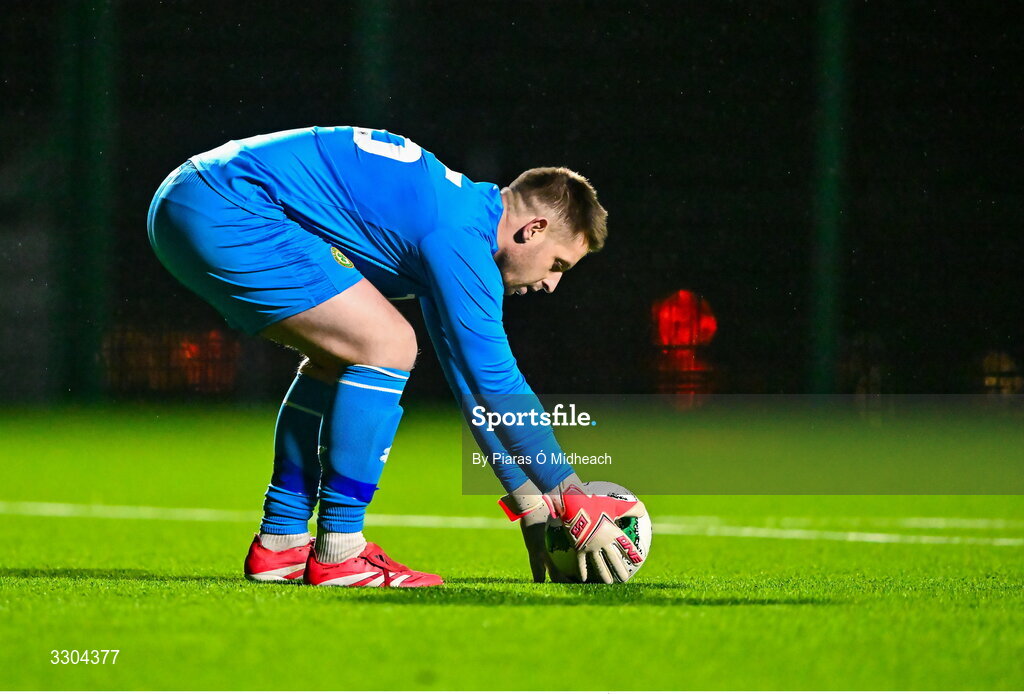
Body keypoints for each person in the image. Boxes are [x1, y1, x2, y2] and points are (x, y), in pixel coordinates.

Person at [147, 125, 644, 587]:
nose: (552, 284)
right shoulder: (460, 238)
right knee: (388, 344)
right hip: (229, 206)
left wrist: (533, 504)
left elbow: (470, 385)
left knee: (344, 356)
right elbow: (497, 382)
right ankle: (340, 549)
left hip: (194, 197)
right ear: (533, 229)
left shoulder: (456, 215)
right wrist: (572, 495)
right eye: (558, 263)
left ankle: (281, 541)